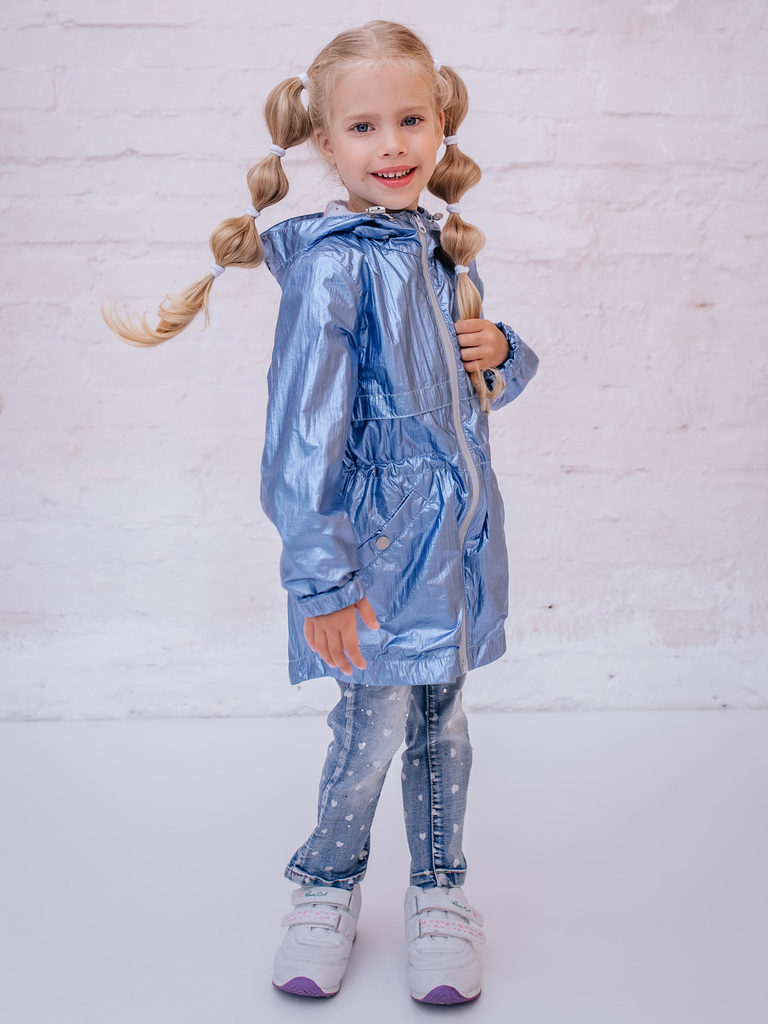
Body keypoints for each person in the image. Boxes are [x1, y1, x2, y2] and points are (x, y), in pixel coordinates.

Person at [104, 19, 538, 1006]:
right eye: (364, 128)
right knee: (370, 727)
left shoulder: (444, 249)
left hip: (452, 554)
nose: (392, 146)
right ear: (323, 141)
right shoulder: (335, 267)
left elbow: (467, 400)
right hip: (373, 562)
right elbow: (300, 441)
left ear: (442, 122)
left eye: (411, 120)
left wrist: (505, 355)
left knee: (444, 725)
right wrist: (323, 580)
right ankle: (327, 888)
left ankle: (439, 892)